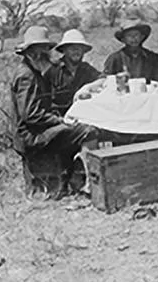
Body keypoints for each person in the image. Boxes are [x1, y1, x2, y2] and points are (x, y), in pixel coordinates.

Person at [10, 26, 97, 198]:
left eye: (44, 49)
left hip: (34, 130)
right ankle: (87, 182)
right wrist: (59, 121)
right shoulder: (27, 75)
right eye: (36, 49)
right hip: (30, 136)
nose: (42, 53)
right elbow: (31, 115)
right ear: (28, 52)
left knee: (74, 130)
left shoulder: (34, 71)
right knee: (89, 132)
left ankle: (74, 177)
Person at [47, 29, 102, 116]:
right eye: (72, 48)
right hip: (59, 118)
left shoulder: (86, 69)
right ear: (64, 50)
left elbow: (103, 79)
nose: (76, 51)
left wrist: (89, 87)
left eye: (79, 48)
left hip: (83, 115)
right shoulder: (53, 70)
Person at [103, 19, 158, 83]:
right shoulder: (115, 58)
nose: (134, 38)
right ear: (123, 39)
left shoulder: (152, 57)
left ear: (142, 37)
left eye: (136, 35)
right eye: (129, 35)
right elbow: (106, 80)